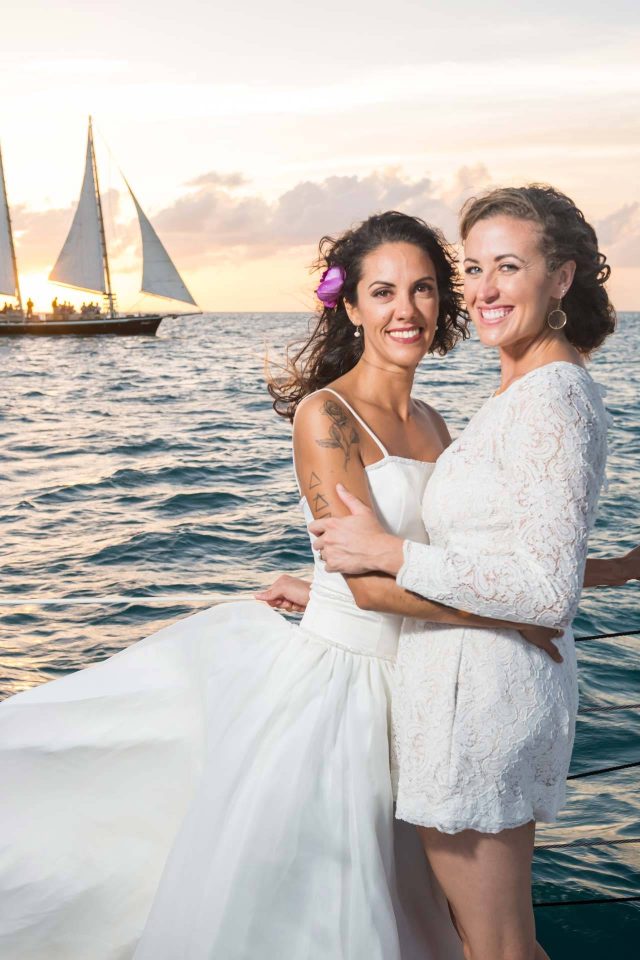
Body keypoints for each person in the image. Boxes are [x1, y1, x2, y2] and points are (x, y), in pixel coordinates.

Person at [304, 187, 630, 960]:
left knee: (496, 946)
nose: (480, 289)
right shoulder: (503, 399)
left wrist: (389, 557)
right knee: (475, 939)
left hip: (470, 697)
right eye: (475, 268)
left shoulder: (538, 398)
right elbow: (500, 557)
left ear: (561, 279)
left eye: (506, 267)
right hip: (433, 681)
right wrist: (621, 568)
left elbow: (532, 591)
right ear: (350, 306)